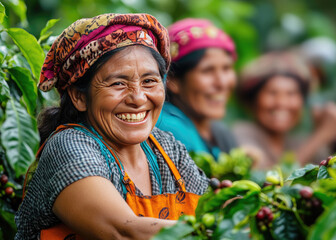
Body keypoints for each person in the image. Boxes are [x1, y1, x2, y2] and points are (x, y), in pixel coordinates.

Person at [15, 13, 208, 240]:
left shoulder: (166, 148)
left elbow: (210, 209)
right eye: (118, 83)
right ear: (79, 97)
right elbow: (124, 231)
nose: (138, 98)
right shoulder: (69, 146)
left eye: (149, 81)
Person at [233, 51, 336, 169]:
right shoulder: (242, 134)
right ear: (254, 100)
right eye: (272, 93)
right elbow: (268, 181)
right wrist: (322, 134)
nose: (281, 103)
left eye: (291, 94)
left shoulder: (294, 142)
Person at [156, 18, 237, 159]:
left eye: (226, 68)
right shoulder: (168, 132)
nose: (222, 83)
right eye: (207, 70)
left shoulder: (217, 131)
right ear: (173, 80)